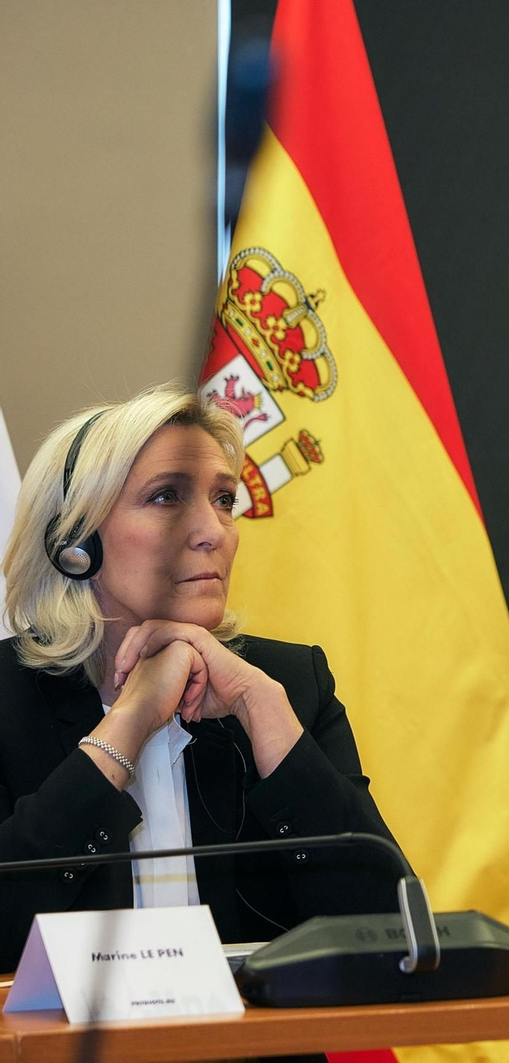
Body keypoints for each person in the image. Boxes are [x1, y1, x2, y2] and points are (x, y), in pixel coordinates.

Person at [0, 383, 400, 973]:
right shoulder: (9, 699)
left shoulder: (289, 683)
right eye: (166, 497)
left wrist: (266, 718)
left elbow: (390, 934)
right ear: (75, 543)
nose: (212, 529)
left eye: (223, 500)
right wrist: (125, 728)